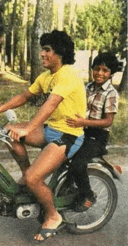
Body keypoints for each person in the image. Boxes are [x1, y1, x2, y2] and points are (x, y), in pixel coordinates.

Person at [0, 29, 86, 242]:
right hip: (51, 130)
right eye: (42, 50)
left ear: (60, 53)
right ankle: (29, 178)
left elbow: (51, 104)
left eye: (47, 50)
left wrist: (28, 128)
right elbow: (25, 96)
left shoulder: (68, 75)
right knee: (8, 133)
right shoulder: (46, 76)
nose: (42, 54)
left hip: (69, 135)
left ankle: (52, 215)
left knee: (34, 177)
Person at [66, 52, 120, 211]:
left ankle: (87, 194)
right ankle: (66, 190)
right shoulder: (87, 87)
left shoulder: (111, 93)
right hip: (80, 131)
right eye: (97, 69)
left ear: (111, 74)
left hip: (97, 137)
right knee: (58, 154)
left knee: (78, 163)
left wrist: (84, 122)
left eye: (105, 70)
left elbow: (108, 121)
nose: (100, 73)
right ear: (92, 69)